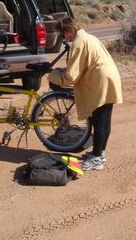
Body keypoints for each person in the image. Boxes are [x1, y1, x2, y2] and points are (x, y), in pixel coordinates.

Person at [48, 17, 123, 171]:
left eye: (63, 35)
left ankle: (96, 160)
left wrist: (53, 75)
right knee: (105, 120)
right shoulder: (88, 37)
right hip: (108, 78)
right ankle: (99, 153)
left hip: (99, 82)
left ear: (69, 30)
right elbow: (82, 66)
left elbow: (71, 77)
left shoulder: (78, 42)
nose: (63, 38)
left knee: (99, 122)